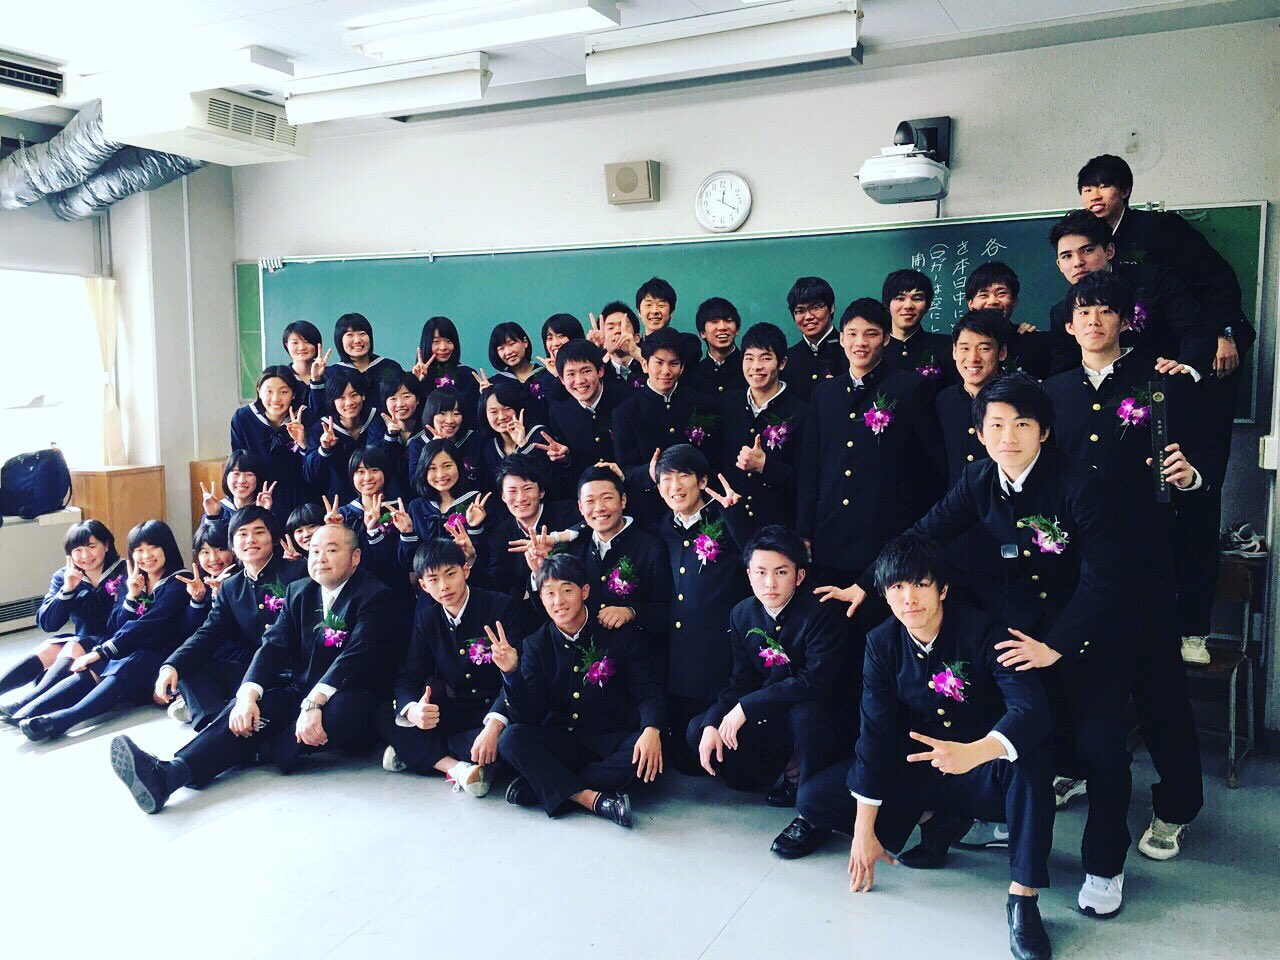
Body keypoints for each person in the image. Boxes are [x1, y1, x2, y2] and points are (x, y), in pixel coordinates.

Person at [820, 373, 1134, 918]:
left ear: (1043, 431)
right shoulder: (979, 478)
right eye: (996, 425)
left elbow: (1105, 578)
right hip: (1018, 631)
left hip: (1085, 635)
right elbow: (922, 534)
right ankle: (974, 817)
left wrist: (1057, 645)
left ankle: (1105, 864)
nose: (1008, 437)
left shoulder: (1080, 484)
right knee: (1016, 731)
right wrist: (869, 584)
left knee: (1101, 747)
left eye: (1021, 424)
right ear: (981, 433)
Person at [795, 535, 1055, 960]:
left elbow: (1030, 710)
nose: (909, 598)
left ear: (942, 589)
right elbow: (874, 734)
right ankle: (938, 820)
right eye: (897, 587)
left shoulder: (984, 630)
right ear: (884, 594)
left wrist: (975, 752)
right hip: (919, 768)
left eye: (920, 584)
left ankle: (1022, 899)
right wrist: (864, 831)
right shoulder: (881, 642)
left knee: (1031, 761)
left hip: (980, 768)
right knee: (813, 799)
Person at [1044, 270, 1205, 861]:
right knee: (1071, 675)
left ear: (1124, 320)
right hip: (1073, 565)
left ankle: (1176, 806)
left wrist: (1190, 477)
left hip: (1144, 563)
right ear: (1069, 325)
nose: (1094, 320)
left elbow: (1198, 466)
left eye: (1105, 310)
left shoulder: (1159, 383)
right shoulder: (1051, 392)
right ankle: (1074, 768)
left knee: (1157, 685)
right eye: (1083, 312)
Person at [1078, 153, 1258, 666]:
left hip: (1192, 382)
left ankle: (1193, 629)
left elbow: (1217, 282)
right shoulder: (1086, 270)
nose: (1095, 196)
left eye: (1105, 186)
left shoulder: (1159, 233)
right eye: (1087, 188)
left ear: (1125, 192)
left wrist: (1224, 333)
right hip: (1132, 392)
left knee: (1195, 496)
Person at [109, 523, 393, 813]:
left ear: (355, 557)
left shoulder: (374, 595)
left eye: (331, 550)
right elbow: (273, 646)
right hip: (301, 688)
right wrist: (247, 696)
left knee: (342, 709)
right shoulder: (300, 591)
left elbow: (356, 657)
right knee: (249, 709)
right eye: (315, 551)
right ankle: (169, 775)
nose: (320, 558)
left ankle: (257, 750)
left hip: (352, 693)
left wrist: (314, 704)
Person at [692, 526, 852, 830]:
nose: (770, 583)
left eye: (781, 572)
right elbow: (741, 680)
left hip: (821, 715)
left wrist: (746, 707)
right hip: (776, 713)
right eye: (761, 572)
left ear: (799, 576)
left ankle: (811, 814)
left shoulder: (822, 610)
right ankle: (783, 771)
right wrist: (714, 720)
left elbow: (816, 681)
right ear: (748, 575)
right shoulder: (742, 613)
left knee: (806, 716)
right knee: (698, 731)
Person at [494, 553, 665, 827]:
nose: (558, 601)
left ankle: (545, 786)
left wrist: (651, 730)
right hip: (564, 740)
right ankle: (590, 798)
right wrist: (511, 674)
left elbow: (648, 687)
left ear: (584, 591)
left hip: (611, 739)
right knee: (510, 739)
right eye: (549, 593)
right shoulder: (535, 644)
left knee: (643, 754)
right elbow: (529, 716)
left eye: (566, 590)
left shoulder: (616, 631)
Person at [796, 297, 945, 589]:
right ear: (841, 338)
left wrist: (918, 535)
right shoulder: (825, 393)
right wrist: (805, 531)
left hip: (886, 537)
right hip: (831, 535)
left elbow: (930, 468)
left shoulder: (909, 388)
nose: (860, 343)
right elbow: (810, 467)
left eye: (871, 334)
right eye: (852, 334)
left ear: (887, 338)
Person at [379, 538, 532, 795]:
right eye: (433, 579)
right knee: (387, 713)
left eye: (450, 574)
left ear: (466, 571)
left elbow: (522, 676)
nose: (444, 586)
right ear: (423, 586)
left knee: (511, 741)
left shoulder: (502, 607)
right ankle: (459, 769)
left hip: (500, 709)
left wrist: (494, 725)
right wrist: (413, 710)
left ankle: (422, 753)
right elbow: (409, 675)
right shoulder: (428, 618)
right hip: (459, 710)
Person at [16, 521, 189, 742]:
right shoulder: (135, 577)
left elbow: (148, 625)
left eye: (153, 547)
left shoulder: (179, 581)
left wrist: (101, 651)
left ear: (167, 547)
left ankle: (63, 720)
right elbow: (116, 625)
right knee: (93, 664)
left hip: (164, 656)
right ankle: (28, 711)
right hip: (132, 647)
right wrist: (131, 597)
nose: (146, 556)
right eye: (138, 550)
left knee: (130, 660)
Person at [158, 506, 308, 730]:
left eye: (259, 532)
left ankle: (219, 729)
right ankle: (211, 724)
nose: (250, 540)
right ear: (233, 543)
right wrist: (170, 665)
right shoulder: (231, 586)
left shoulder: (298, 572)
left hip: (295, 675)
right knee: (187, 666)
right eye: (242, 534)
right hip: (254, 671)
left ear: (274, 538)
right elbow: (208, 633)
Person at [653, 444, 751, 770]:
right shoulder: (665, 526)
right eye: (667, 479)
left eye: (683, 476)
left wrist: (737, 515)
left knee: (721, 759)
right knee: (683, 761)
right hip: (679, 655)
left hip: (719, 650)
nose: (675, 486)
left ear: (702, 481)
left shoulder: (724, 517)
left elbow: (758, 557)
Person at [1046, 210, 1216, 377]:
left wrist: (1185, 369)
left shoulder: (1155, 281)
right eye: (1067, 256)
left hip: (1163, 382)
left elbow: (1194, 331)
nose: (1078, 262)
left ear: (1109, 251)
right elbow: (1063, 371)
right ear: (1059, 265)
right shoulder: (1061, 312)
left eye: (1087, 250)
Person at [0, 520, 125, 718]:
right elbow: (48, 624)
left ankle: (24, 704)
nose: (85, 556)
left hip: (118, 641)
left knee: (73, 646)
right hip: (84, 640)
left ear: (107, 545)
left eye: (92, 546)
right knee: (50, 647)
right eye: (77, 550)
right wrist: (67, 589)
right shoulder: (65, 576)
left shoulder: (125, 571)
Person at [612, 327, 718, 527]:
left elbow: (714, 458)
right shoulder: (625, 412)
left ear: (682, 367)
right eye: (659, 363)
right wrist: (650, 472)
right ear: (645, 364)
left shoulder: (703, 404)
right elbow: (625, 470)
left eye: (673, 363)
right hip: (652, 514)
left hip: (701, 509)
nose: (666, 371)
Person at [553, 465, 670, 644]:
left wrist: (632, 612)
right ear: (580, 507)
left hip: (639, 652)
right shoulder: (573, 549)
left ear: (623, 500)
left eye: (607, 498)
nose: (599, 508)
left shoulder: (651, 548)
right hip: (588, 652)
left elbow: (667, 610)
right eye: (590, 501)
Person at [718, 321, 806, 531]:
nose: (756, 366)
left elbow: (807, 482)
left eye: (765, 358)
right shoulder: (726, 404)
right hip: (731, 525)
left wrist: (765, 466)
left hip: (779, 528)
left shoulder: (801, 413)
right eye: (749, 358)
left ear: (782, 363)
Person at [482, 454, 576, 600]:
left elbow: (590, 525)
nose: (521, 498)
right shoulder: (500, 536)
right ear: (503, 497)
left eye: (527, 489)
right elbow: (499, 586)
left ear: (541, 492)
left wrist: (556, 538)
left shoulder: (567, 512)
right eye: (512, 491)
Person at [229, 366, 314, 520]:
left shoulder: (306, 417)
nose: (275, 399)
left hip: (299, 499)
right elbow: (239, 462)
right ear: (259, 391)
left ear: (294, 394)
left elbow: (314, 468)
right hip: (259, 497)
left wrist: (302, 443)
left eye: (283, 392)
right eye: (269, 391)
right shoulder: (243, 418)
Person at [394, 437, 490, 572]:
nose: (440, 475)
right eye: (432, 468)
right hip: (430, 582)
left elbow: (488, 560)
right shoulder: (416, 507)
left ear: (458, 466)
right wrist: (407, 533)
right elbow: (409, 566)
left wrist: (475, 529)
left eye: (447, 466)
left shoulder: (477, 504)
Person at [547, 338, 625, 482]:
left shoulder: (626, 400)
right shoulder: (559, 412)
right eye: (571, 374)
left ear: (600, 370)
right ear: (562, 379)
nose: (579, 381)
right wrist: (566, 458)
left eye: (586, 371)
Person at [477, 376, 568, 496]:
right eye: (493, 412)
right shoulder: (490, 448)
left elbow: (550, 480)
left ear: (518, 409)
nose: (501, 417)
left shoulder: (539, 435)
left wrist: (523, 445)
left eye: (507, 409)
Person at [304, 366, 377, 503]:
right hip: (337, 502)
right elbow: (311, 475)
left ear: (363, 395)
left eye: (354, 395)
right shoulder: (321, 428)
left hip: (376, 497)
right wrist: (325, 449)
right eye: (341, 398)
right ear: (333, 401)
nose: (349, 403)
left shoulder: (376, 419)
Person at [965, 261, 1050, 379]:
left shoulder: (1037, 343)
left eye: (1001, 293)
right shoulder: (958, 350)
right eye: (983, 295)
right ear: (970, 303)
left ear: (1014, 300)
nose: (992, 301)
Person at [883, 268, 956, 391]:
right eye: (900, 298)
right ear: (887, 304)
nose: (908, 306)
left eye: (917, 298)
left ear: (927, 306)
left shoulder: (947, 346)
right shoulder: (875, 348)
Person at [410, 385, 486, 494]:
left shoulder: (475, 440)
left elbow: (485, 482)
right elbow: (416, 486)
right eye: (442, 413)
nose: (449, 420)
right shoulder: (418, 444)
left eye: (456, 414)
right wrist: (433, 449)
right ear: (431, 414)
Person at [781, 276, 844, 402]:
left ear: (831, 307)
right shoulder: (787, 359)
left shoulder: (851, 350)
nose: (808, 317)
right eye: (800, 311)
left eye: (815, 308)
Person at [314, 312, 404, 398]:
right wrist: (317, 380)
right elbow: (321, 407)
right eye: (350, 335)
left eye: (362, 333)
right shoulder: (332, 373)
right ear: (340, 341)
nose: (357, 340)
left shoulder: (388, 367)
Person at [365, 372, 424, 499]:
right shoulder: (378, 425)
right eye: (393, 398)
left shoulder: (428, 426)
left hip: (423, 497)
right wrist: (390, 437)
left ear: (418, 399)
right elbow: (374, 464)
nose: (400, 404)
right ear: (385, 402)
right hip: (387, 498)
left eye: (406, 396)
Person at [197, 449, 278, 537]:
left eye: (249, 474)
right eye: (236, 473)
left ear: (258, 478)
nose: (241, 480)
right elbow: (206, 543)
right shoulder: (218, 509)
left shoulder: (269, 508)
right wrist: (212, 517)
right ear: (226, 477)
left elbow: (271, 542)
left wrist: (263, 514)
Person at [415, 315, 480, 424]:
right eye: (436, 342)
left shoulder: (467, 375)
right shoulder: (417, 377)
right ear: (426, 344)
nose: (443, 347)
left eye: (448, 341)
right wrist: (418, 382)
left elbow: (471, 415)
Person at [685, 297, 746, 398]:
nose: (722, 327)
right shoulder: (693, 375)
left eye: (728, 320)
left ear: (737, 330)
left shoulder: (750, 369)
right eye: (714, 321)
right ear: (702, 333)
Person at [589, 301, 646, 391]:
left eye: (624, 326)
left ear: (636, 338)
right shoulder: (598, 372)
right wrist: (591, 351)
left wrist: (639, 355)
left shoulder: (650, 365)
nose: (617, 331)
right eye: (610, 328)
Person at [533, 312, 585, 402]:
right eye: (550, 338)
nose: (555, 343)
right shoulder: (544, 379)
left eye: (561, 336)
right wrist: (557, 373)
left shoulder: (591, 367)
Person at [281, 320, 325, 389]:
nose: (301, 347)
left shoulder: (330, 376)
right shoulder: (281, 378)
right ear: (287, 346)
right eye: (295, 343)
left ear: (317, 345)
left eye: (307, 342)